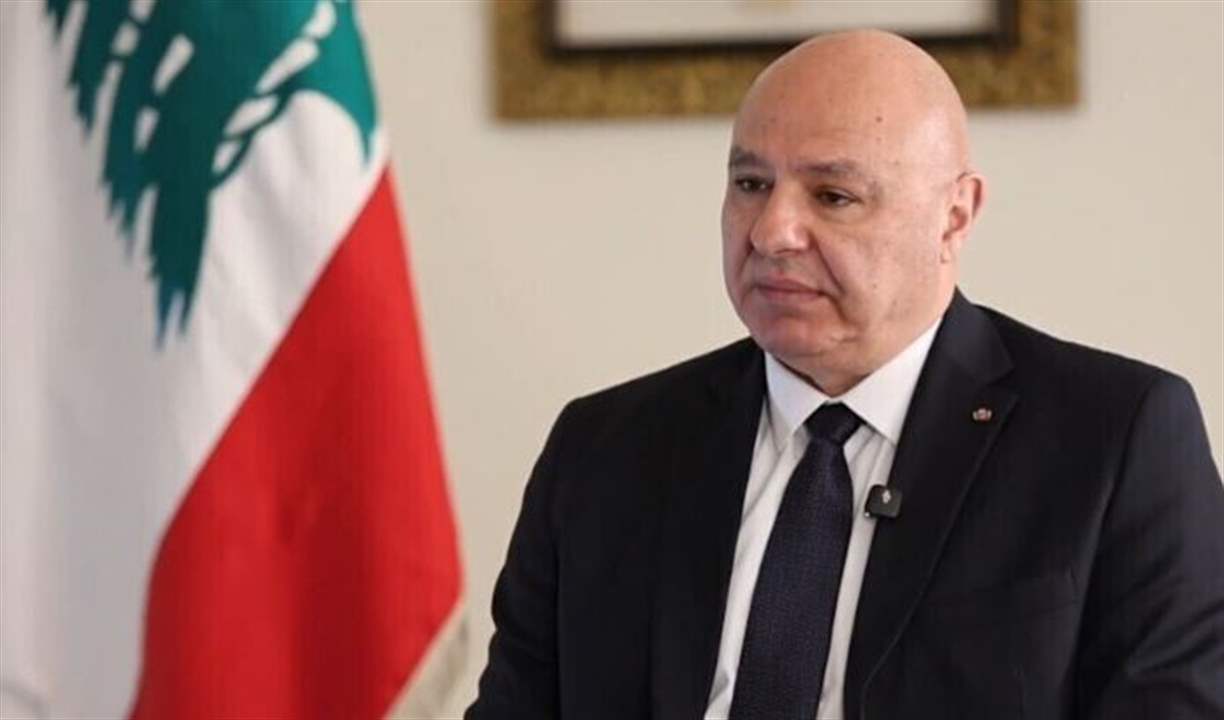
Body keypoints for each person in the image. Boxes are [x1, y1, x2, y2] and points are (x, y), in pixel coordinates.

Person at [466, 30, 1224, 720]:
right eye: (750, 184)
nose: (772, 232)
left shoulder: (1116, 439)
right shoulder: (604, 449)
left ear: (955, 216)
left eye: (832, 196)